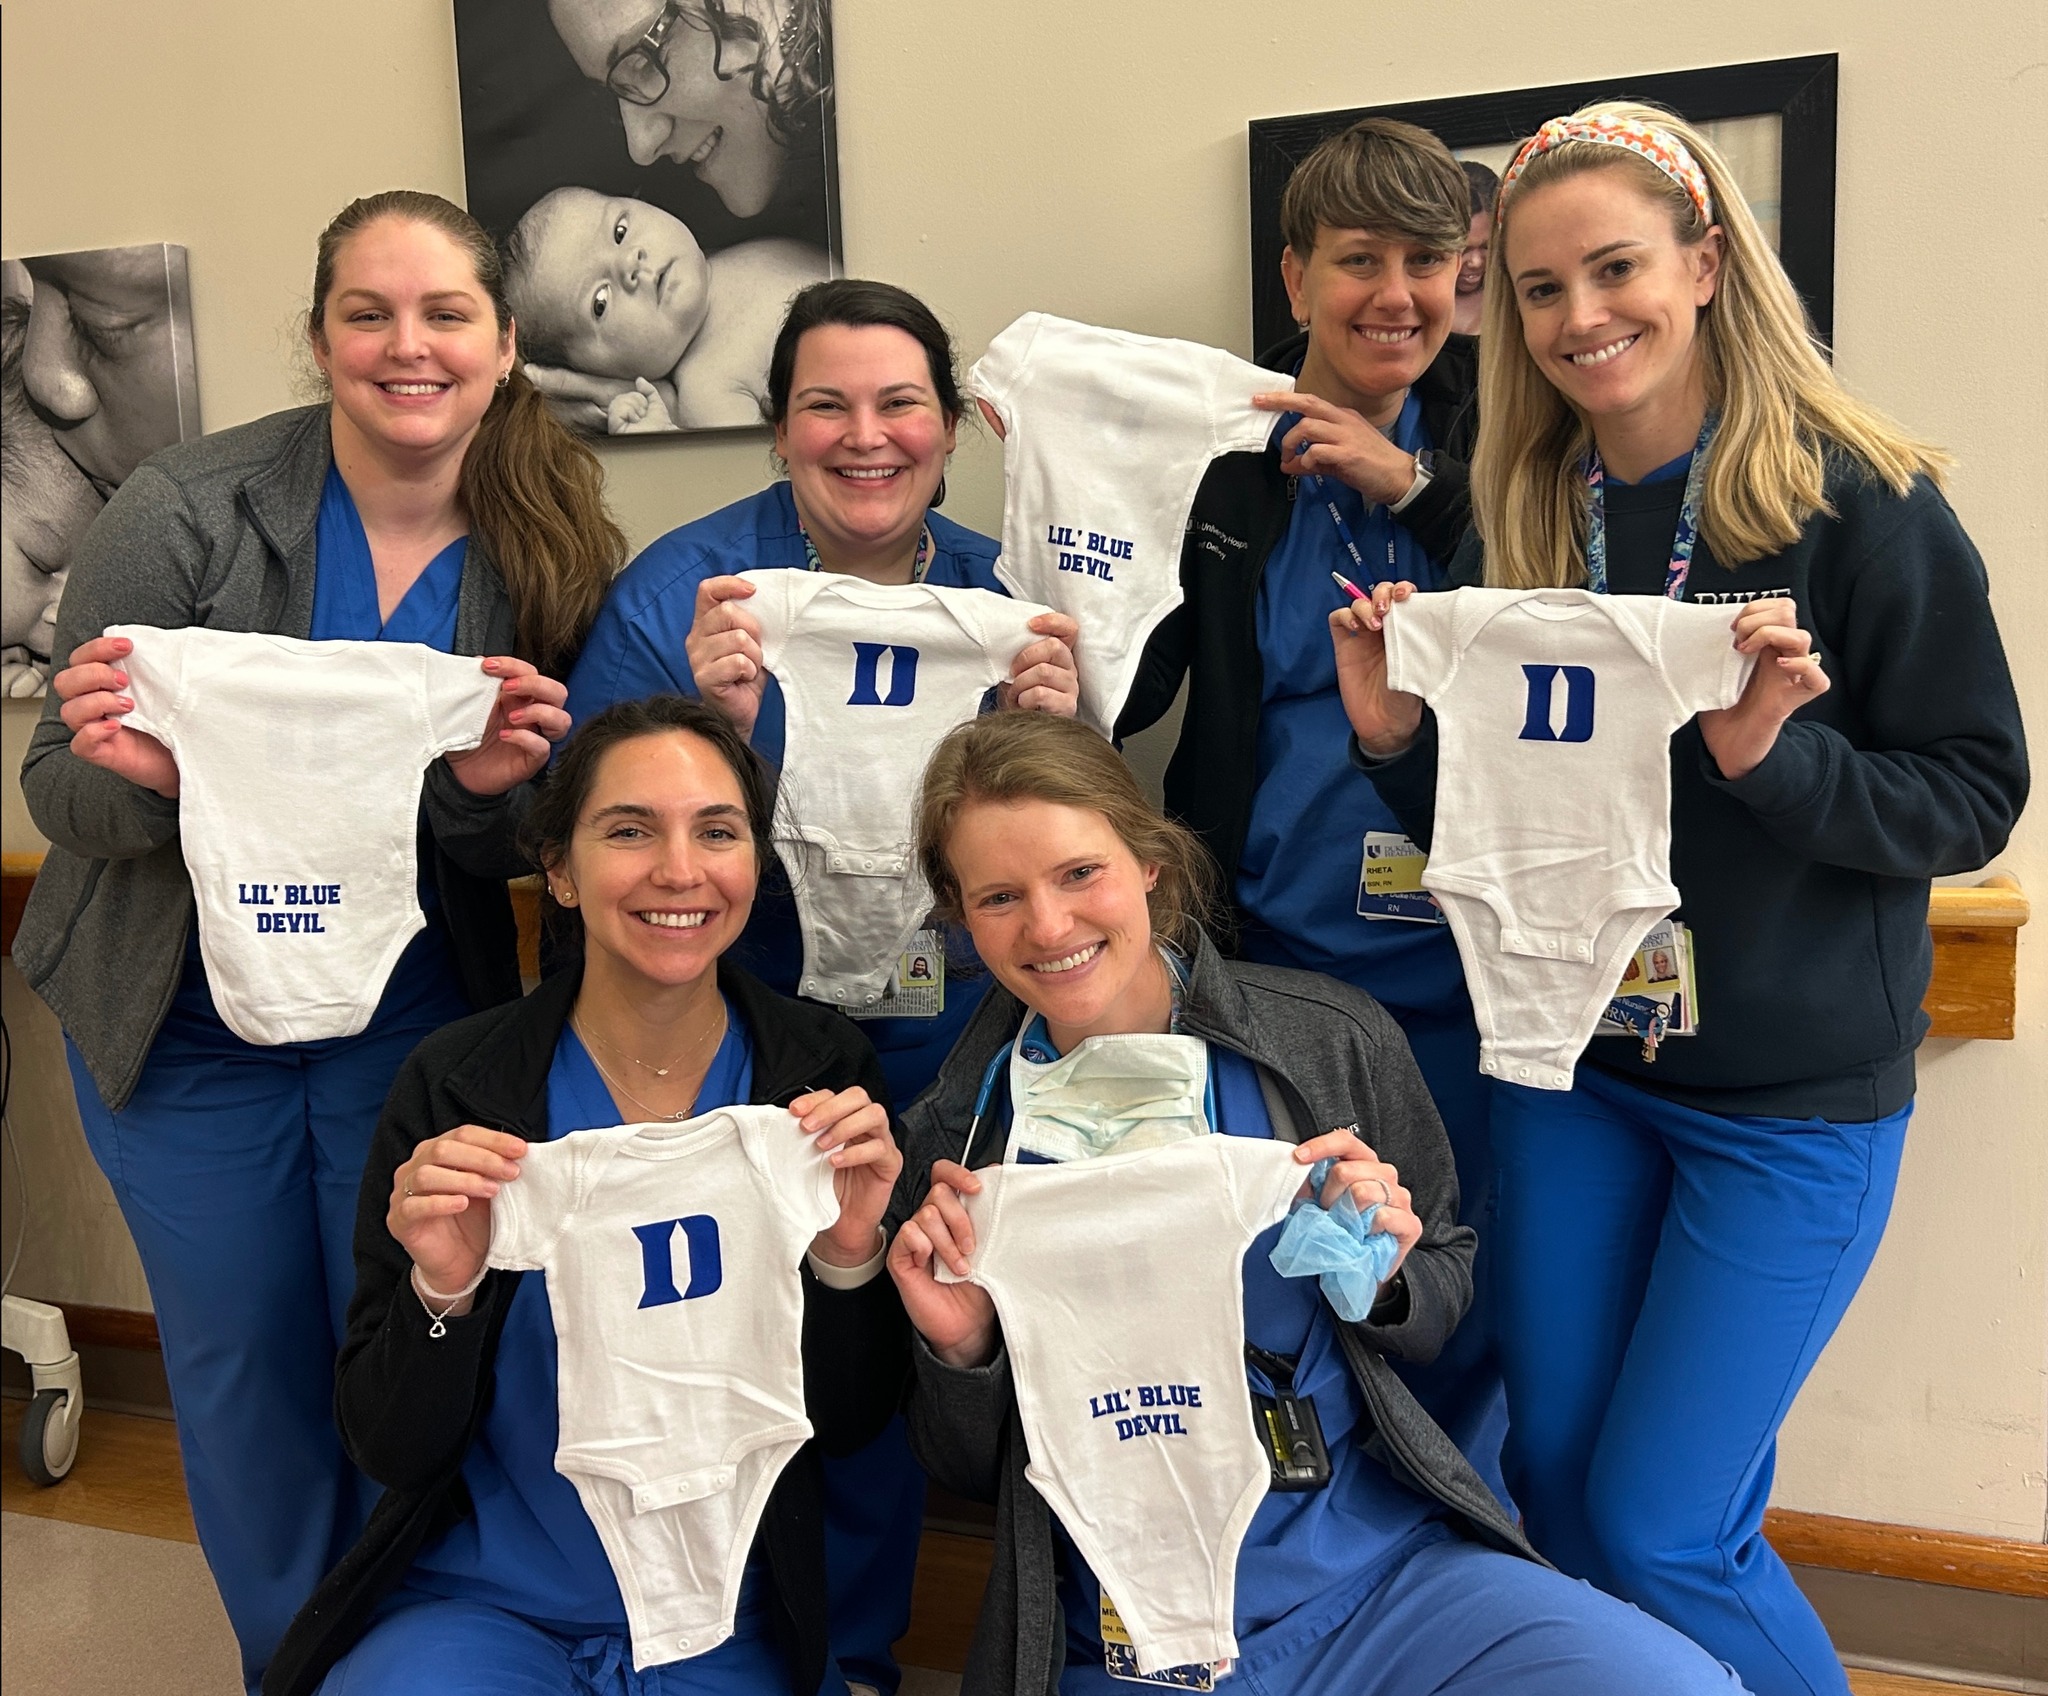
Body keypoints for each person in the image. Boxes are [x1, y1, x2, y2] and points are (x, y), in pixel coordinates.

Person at [1333, 104, 2027, 1696]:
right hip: (1580, 1075)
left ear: (1708, 264)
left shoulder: (1863, 507)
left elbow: (1975, 794)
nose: (1583, 319)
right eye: (1540, 288)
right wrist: (1389, 743)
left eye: (1618, 269)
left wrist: (1775, 764)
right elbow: (1516, 824)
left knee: (1663, 1527)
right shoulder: (1520, 516)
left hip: (1786, 1107)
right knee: (1563, 1485)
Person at [14, 190, 623, 1691]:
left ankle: (400, 1658)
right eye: (369, 313)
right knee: (237, 1382)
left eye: (444, 315)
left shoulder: (548, 549)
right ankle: (294, 1669)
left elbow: (525, 841)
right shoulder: (185, 510)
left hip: (410, 1036)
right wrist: (154, 787)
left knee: (408, 1360)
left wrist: (491, 799)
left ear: (501, 341)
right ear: (319, 338)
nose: (405, 347)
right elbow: (56, 789)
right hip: (183, 1037)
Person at [885, 711, 1744, 1696]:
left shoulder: (1324, 1042)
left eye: (1079, 872)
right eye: (999, 896)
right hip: (1133, 1632)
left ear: (1149, 862)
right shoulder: (956, 1141)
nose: (1048, 925)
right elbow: (959, 1462)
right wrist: (960, 1350)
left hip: (1373, 1576)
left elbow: (1439, 1292)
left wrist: (1383, 1277)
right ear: (959, 914)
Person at [566, 276, 1077, 1696]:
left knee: (888, 1330)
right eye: (827, 405)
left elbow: (1071, 844)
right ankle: (687, 1634)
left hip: (947, 1032)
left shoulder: (1003, 600)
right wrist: (710, 728)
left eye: (900, 402)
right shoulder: (688, 594)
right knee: (713, 1332)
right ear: (779, 426)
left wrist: (1059, 728)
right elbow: (593, 830)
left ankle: (853, 1651)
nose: (867, 436)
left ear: (950, 424)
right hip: (727, 1028)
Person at [262, 696, 909, 1696]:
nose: (679, 870)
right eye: (628, 830)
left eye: (716, 831)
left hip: (731, 1611)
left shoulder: (816, 1078)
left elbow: (852, 1418)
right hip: (490, 1603)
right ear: (557, 868)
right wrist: (443, 1293)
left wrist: (848, 1258)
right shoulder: (460, 1087)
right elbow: (388, 1440)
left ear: (752, 862)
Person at [1114, 115, 1507, 1495]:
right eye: (1357, 259)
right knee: (1304, 1299)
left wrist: (1417, 486)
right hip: (1280, 971)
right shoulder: (1222, 470)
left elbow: (1577, 611)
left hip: (1477, 979)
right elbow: (1134, 676)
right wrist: (1079, 541)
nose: (1395, 294)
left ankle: (1463, 1575)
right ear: (1295, 281)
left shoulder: (1516, 440)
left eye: (1428, 260)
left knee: (1465, 1303)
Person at [503, 185, 824, 431]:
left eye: (620, 232)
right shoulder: (706, 394)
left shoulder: (742, 240)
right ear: (591, 375)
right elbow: (758, 478)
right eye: (600, 302)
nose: (629, 263)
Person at [1451, 159, 1498, 337]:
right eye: (1463, 250)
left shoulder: (1514, 299)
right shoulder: (1414, 303)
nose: (1476, 262)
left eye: (1487, 246)